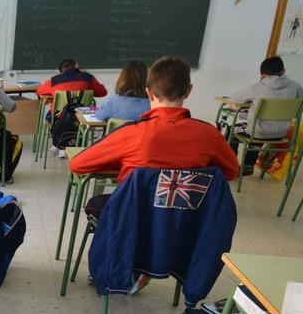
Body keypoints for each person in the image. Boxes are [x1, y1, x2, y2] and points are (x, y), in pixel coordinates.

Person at [70, 56, 238, 293]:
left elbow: (78, 164)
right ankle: (154, 268)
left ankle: (132, 269)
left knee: (106, 205)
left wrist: (123, 163)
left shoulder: (133, 133)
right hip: (184, 226)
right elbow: (231, 171)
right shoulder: (208, 135)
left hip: (132, 222)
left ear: (149, 92)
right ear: (188, 91)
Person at [227, 56, 303, 172]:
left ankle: (232, 166)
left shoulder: (257, 87)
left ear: (263, 74)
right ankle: (248, 164)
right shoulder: (296, 86)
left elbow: (234, 99)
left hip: (257, 132)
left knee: (232, 130)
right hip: (281, 133)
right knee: (259, 128)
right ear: (284, 71)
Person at [35, 58, 108, 100]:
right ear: (76, 67)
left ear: (61, 72)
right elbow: (103, 92)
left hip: (59, 117)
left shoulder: (54, 81)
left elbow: (39, 91)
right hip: (82, 117)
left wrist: (53, 93)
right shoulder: (87, 77)